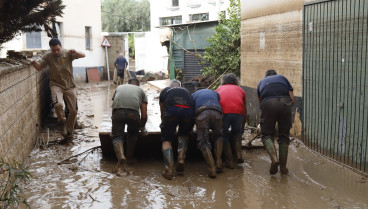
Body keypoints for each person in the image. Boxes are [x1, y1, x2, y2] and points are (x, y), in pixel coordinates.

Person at [30, 38, 85, 142]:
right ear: (51, 49)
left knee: (73, 111)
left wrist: (75, 51)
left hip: (70, 86)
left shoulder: (68, 53)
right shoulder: (48, 56)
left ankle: (69, 131)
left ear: (61, 47)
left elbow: (83, 55)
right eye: (53, 50)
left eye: (58, 49)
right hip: (56, 85)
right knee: (58, 104)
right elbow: (39, 68)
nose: (56, 52)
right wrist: (33, 62)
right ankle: (61, 122)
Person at [257, 69, 294, 175]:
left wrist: (268, 117)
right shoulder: (283, 78)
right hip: (285, 103)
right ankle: (283, 168)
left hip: (267, 103)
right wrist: (284, 112)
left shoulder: (261, 82)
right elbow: (292, 100)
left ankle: (274, 159)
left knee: (267, 135)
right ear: (275, 75)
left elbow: (261, 103)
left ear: (266, 76)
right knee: (283, 137)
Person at [111, 78, 148, 176]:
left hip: (117, 112)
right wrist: (142, 127)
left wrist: (113, 125)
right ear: (138, 85)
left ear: (128, 84)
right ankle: (129, 158)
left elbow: (114, 105)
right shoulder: (141, 91)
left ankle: (121, 157)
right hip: (133, 114)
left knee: (117, 136)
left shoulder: (119, 87)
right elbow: (144, 115)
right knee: (132, 136)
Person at [159, 79, 194, 180]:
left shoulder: (166, 91)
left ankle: (169, 170)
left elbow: (162, 109)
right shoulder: (187, 92)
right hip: (188, 112)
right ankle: (181, 160)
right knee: (183, 135)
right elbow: (192, 107)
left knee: (166, 140)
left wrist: (164, 124)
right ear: (180, 85)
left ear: (170, 86)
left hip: (171, 111)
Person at [216, 73, 247, 168]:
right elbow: (245, 111)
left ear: (223, 81)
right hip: (238, 113)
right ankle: (238, 155)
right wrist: (242, 127)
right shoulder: (241, 90)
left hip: (224, 113)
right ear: (236, 81)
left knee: (224, 135)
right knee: (237, 133)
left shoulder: (219, 89)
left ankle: (229, 161)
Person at [192, 87, 223, 178]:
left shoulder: (194, 95)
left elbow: (191, 111)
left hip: (202, 113)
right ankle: (218, 162)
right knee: (218, 136)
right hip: (217, 113)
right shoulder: (214, 93)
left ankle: (212, 169)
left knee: (203, 142)